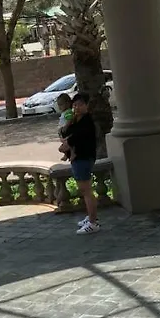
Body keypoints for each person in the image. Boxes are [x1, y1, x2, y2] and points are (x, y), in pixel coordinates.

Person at [62, 93, 100, 235]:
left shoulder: (87, 121)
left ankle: (93, 222)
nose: (77, 107)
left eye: (80, 104)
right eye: (75, 105)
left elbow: (78, 138)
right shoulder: (77, 120)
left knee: (86, 190)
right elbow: (66, 132)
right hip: (78, 158)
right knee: (85, 190)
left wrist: (67, 144)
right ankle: (91, 217)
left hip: (83, 158)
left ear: (87, 105)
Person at [56, 93, 74, 162]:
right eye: (58, 105)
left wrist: (66, 127)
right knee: (65, 143)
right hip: (63, 131)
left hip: (67, 130)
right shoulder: (64, 112)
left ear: (68, 104)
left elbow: (70, 120)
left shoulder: (68, 112)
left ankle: (71, 154)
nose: (59, 107)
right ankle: (66, 154)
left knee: (69, 143)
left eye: (61, 105)